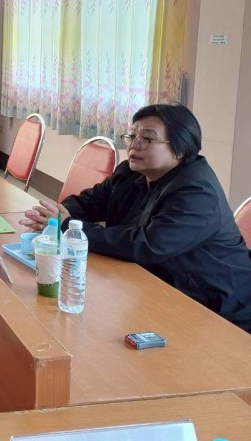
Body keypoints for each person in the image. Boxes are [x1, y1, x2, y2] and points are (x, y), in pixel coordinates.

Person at [20, 103, 251, 332]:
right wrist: (54, 214)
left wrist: (68, 227)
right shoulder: (130, 172)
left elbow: (146, 245)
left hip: (217, 309)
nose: (134, 145)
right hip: (154, 286)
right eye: (132, 136)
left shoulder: (197, 192)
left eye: (147, 139)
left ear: (180, 149)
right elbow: (90, 202)